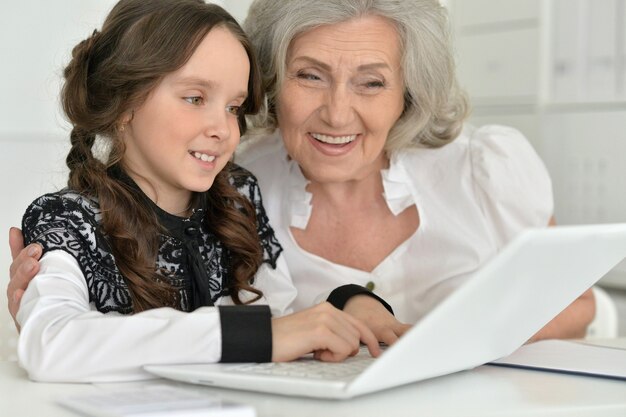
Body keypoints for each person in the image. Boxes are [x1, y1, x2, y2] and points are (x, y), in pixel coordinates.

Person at [8, 0, 594, 344]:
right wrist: (57, 306)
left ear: (408, 94)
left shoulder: (485, 168)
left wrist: (426, 339)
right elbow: (232, 314)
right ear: (271, 86)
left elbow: (580, 305)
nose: (338, 113)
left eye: (371, 82)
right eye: (310, 76)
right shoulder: (230, 183)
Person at [10, 0, 386, 383]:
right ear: (124, 103)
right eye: (195, 98)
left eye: (234, 107)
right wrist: (249, 335)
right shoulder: (68, 219)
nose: (223, 130)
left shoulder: (236, 196)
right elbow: (50, 344)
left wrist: (348, 303)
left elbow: (279, 316)